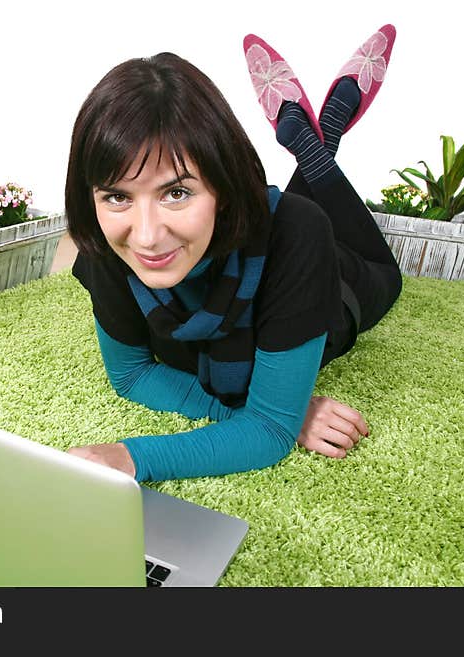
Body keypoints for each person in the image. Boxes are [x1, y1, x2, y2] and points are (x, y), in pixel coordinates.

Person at [63, 25, 403, 482]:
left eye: (177, 193)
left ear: (222, 187)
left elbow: (267, 431)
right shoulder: (109, 243)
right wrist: (270, 408)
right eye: (118, 196)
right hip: (261, 236)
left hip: (345, 282)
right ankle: (311, 138)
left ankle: (318, 143)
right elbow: (132, 376)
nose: (145, 237)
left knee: (370, 261)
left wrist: (129, 458)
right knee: (293, 205)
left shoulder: (298, 234)